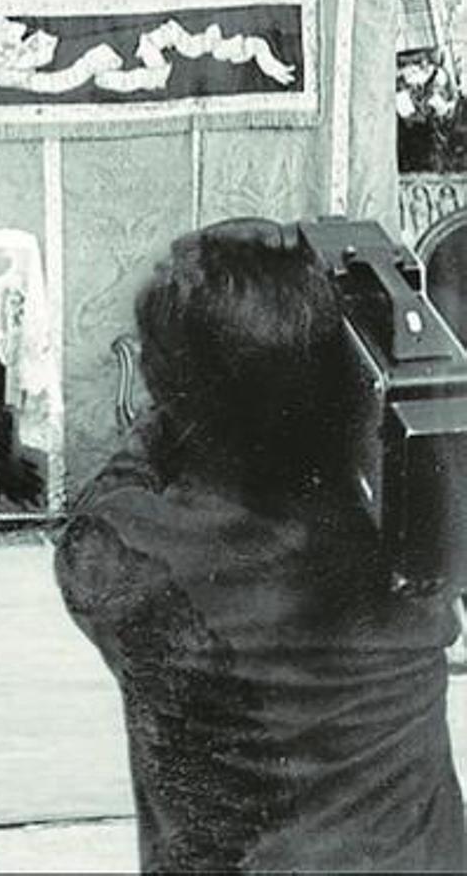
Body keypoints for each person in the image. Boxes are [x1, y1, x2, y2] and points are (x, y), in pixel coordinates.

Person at [54, 219, 465, 873]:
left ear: (173, 391)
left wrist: (198, 385)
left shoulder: (119, 554)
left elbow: (124, 473)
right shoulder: (411, 541)